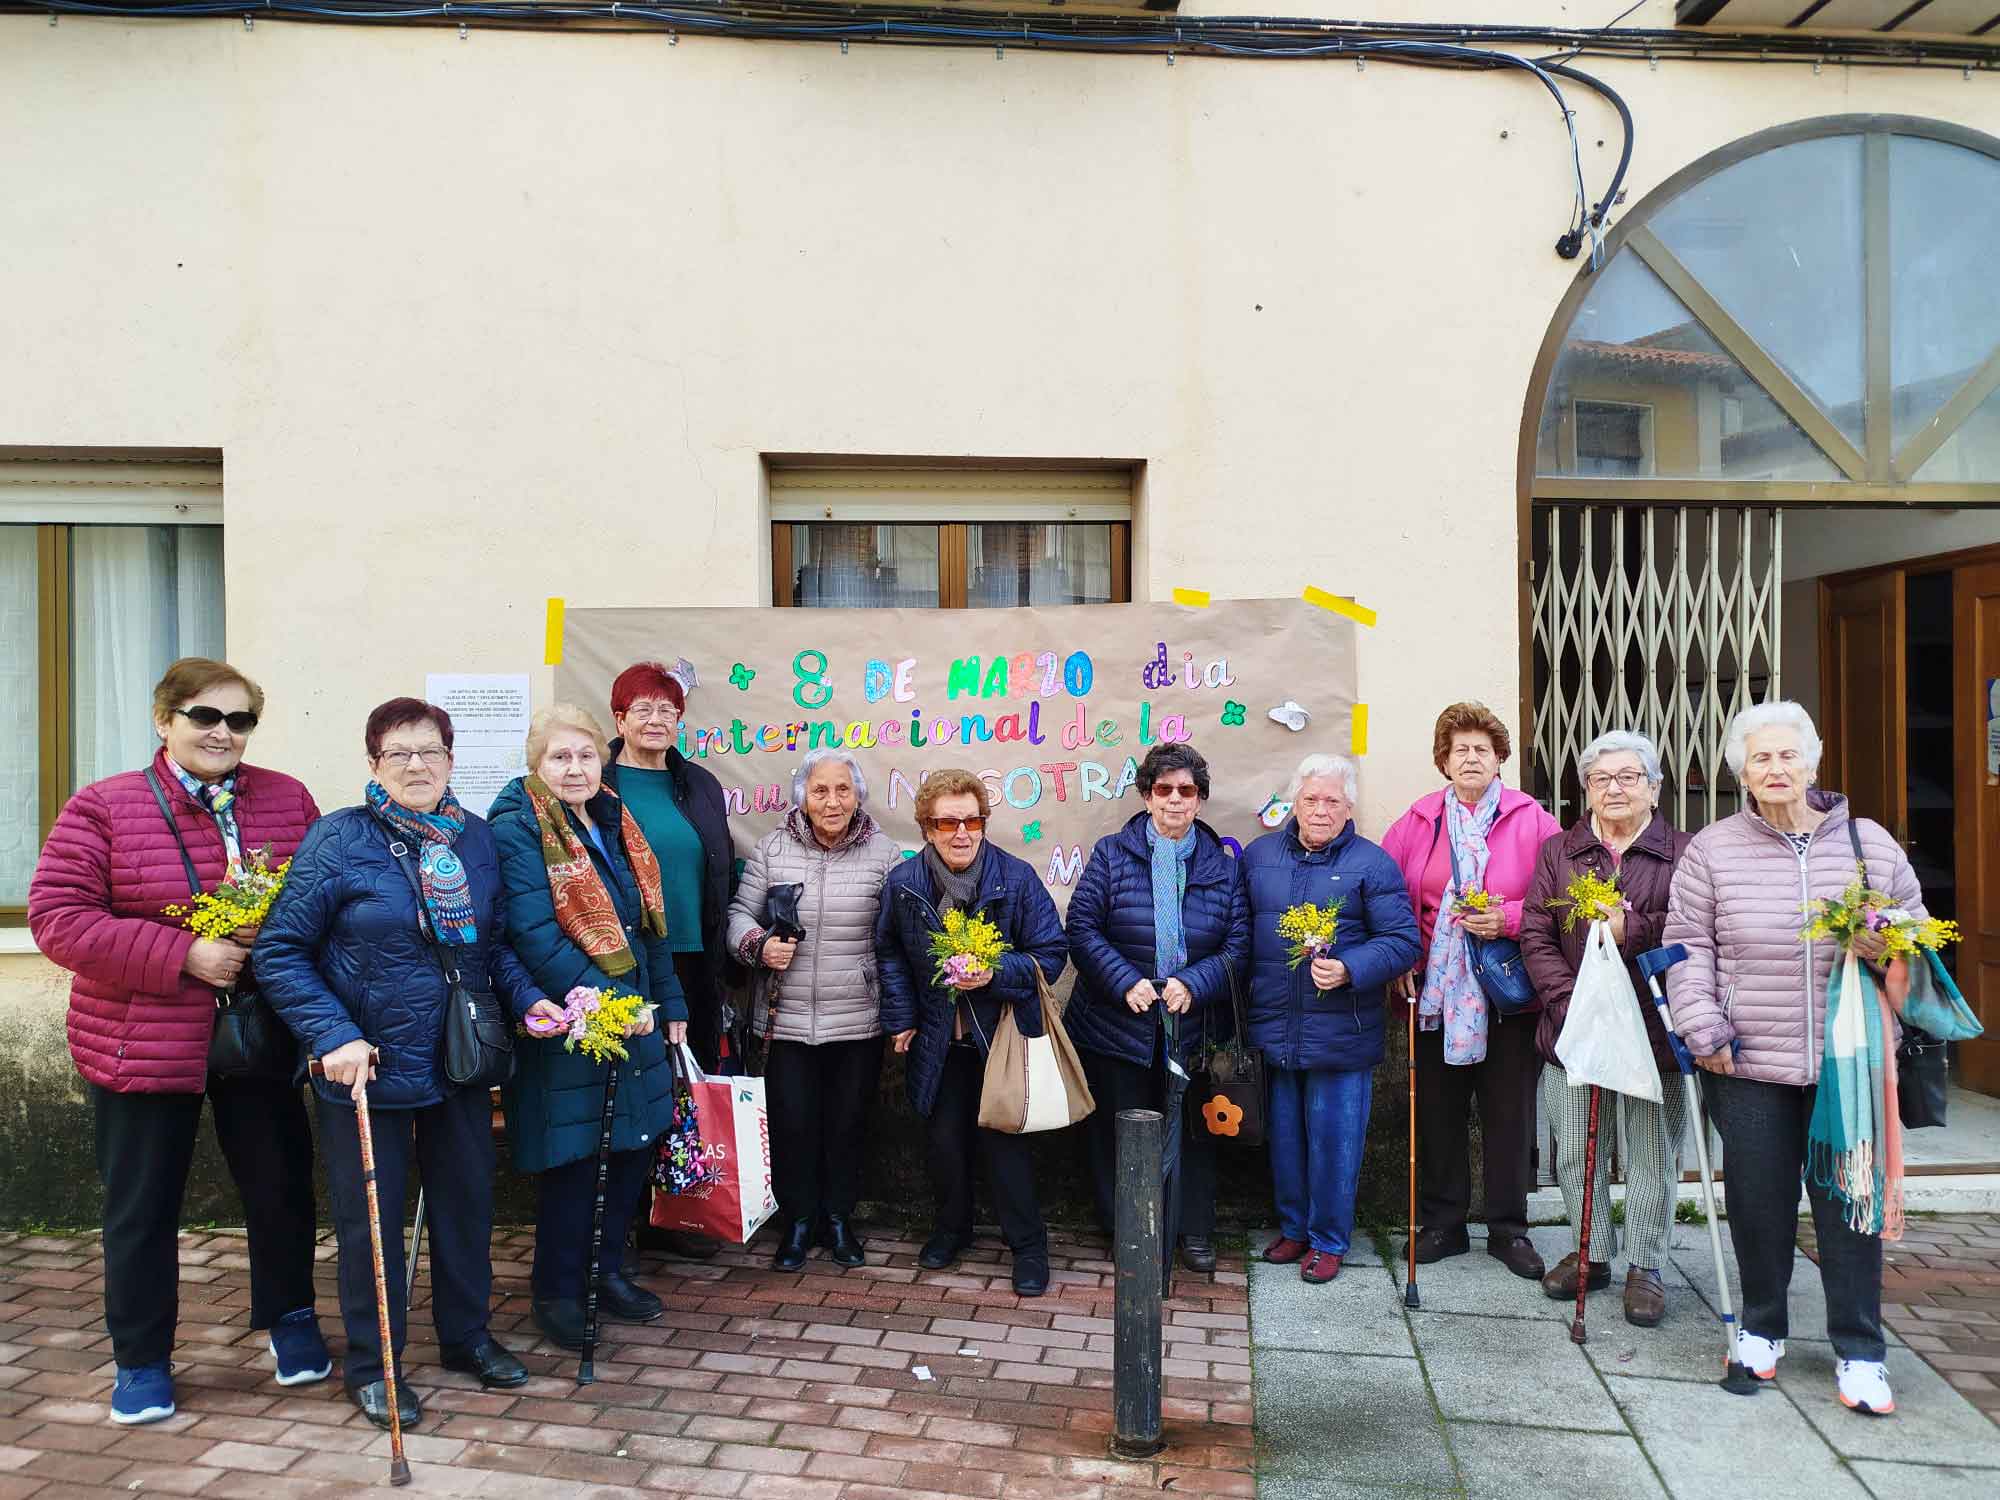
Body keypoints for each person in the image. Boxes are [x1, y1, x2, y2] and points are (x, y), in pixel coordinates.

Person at [28, 658, 326, 1427]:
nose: (222, 732)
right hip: (142, 1038)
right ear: (165, 721)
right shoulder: (103, 807)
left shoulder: (287, 799)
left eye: (239, 719)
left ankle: (291, 1320)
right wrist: (184, 954)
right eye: (205, 716)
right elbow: (58, 920)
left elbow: (327, 898)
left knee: (281, 1188)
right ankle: (141, 1360)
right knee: (141, 1208)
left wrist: (281, 933)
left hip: (259, 1033)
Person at [257, 697, 539, 1430]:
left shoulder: (476, 840)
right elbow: (280, 950)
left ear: (451, 760)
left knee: (466, 1208)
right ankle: (372, 1363)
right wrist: (331, 1035)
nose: (417, 766)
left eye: (430, 752)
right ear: (374, 762)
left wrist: (528, 1002)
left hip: (458, 1058)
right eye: (399, 753)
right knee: (369, 1224)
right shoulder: (338, 839)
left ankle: (466, 1338)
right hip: (365, 1067)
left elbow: (494, 946)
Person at [1663, 701, 1924, 1416]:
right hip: (1746, 1060)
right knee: (1758, 1202)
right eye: (1759, 758)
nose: (1775, 770)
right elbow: (1687, 946)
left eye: (1787, 756)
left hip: (1851, 1059)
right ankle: (1762, 1329)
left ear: (1812, 762)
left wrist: (1890, 943)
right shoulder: (1713, 849)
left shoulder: (1867, 843)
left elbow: (1920, 929)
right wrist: (1702, 1025)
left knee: (1849, 1203)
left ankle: (1861, 1352)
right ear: (1741, 772)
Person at [487, 704, 686, 1351]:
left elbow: (645, 923)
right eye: (559, 757)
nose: (574, 768)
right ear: (536, 764)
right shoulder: (518, 826)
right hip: (569, 1022)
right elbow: (534, 935)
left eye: (583, 755)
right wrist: (613, 1003)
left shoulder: (609, 818)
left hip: (638, 1015)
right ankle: (558, 1292)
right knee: (576, 1160)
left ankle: (606, 1274)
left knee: (631, 1148)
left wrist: (670, 1003)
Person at [1381, 702, 1560, 1281]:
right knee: (1438, 1111)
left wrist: (1508, 918)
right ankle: (1443, 1224)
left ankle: (1510, 1230)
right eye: (1460, 749)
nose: (1471, 758)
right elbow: (1388, 898)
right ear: (1443, 760)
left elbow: (1560, 900)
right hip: (1434, 994)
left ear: (1500, 757)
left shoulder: (1534, 820)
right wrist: (1402, 957)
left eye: (1482, 749)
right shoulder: (1416, 821)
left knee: (1510, 1115)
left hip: (1509, 993)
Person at [1519, 730, 1691, 1326]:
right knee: (1575, 1150)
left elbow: (1693, 930)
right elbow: (1535, 932)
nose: (1614, 789)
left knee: (1649, 1153)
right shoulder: (1558, 852)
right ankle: (1590, 1251)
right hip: (1572, 1029)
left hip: (1652, 1029)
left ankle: (1646, 1263)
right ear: (1586, 789)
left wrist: (1633, 930)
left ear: (1654, 787)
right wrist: (1568, 1004)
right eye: (1600, 779)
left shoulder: (1685, 853)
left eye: (1628, 777)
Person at [874, 768, 1068, 1296]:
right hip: (939, 1038)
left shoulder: (1016, 877)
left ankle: (1028, 1247)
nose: (962, 832)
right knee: (943, 1144)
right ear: (927, 828)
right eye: (947, 822)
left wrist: (996, 972)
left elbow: (1051, 955)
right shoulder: (905, 883)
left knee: (1005, 1145)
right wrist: (902, 1017)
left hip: (1001, 1037)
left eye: (973, 820)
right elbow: (889, 950)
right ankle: (951, 1230)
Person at [1066, 742, 1248, 1273]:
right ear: (1146, 796)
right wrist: (1126, 983)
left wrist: (1194, 982)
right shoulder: (1111, 854)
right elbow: (1082, 928)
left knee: (1195, 1129)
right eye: (1163, 789)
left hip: (1191, 1027)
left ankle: (1191, 1230)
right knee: (1119, 1132)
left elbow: (1238, 947)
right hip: (1115, 1024)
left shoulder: (1223, 867)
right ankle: (1125, 1229)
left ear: (1200, 800)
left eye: (1186, 791)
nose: (1174, 800)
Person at [1242, 754, 1421, 1284]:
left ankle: (1328, 1239)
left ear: (1349, 808)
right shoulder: (1258, 857)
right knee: (1286, 1139)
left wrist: (1348, 967)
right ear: (1293, 803)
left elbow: (1402, 942)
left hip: (1343, 1032)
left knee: (1334, 1141)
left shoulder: (1372, 863)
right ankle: (1294, 1228)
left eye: (1332, 801)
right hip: (1274, 1025)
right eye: (1310, 799)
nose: (1320, 810)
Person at [726, 748, 901, 1270]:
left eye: (842, 790)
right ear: (802, 796)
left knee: (847, 1125)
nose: (831, 801)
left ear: (858, 797)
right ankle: (798, 1224)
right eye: (820, 790)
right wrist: (759, 945)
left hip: (857, 1020)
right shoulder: (772, 850)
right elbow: (739, 915)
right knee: (793, 1125)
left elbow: (897, 932)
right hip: (785, 1022)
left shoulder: (884, 854)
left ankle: (839, 1221)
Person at [601, 658, 736, 1264]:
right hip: (622, 963)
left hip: (695, 959)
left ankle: (672, 1214)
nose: (657, 720)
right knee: (629, 1090)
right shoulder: (598, 784)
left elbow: (718, 867)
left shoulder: (698, 784)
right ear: (620, 717)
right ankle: (619, 1224)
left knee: (683, 1089)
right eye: (644, 709)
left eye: (668, 710)